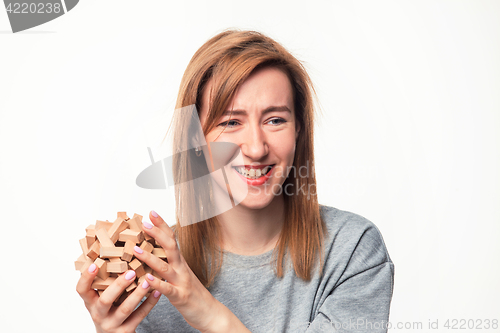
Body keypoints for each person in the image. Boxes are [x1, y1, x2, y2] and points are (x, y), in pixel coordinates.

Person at [76, 29, 394, 333]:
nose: (256, 148)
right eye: (230, 122)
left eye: (275, 120)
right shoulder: (153, 267)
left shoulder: (352, 250)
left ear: (298, 129)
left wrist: (210, 314)